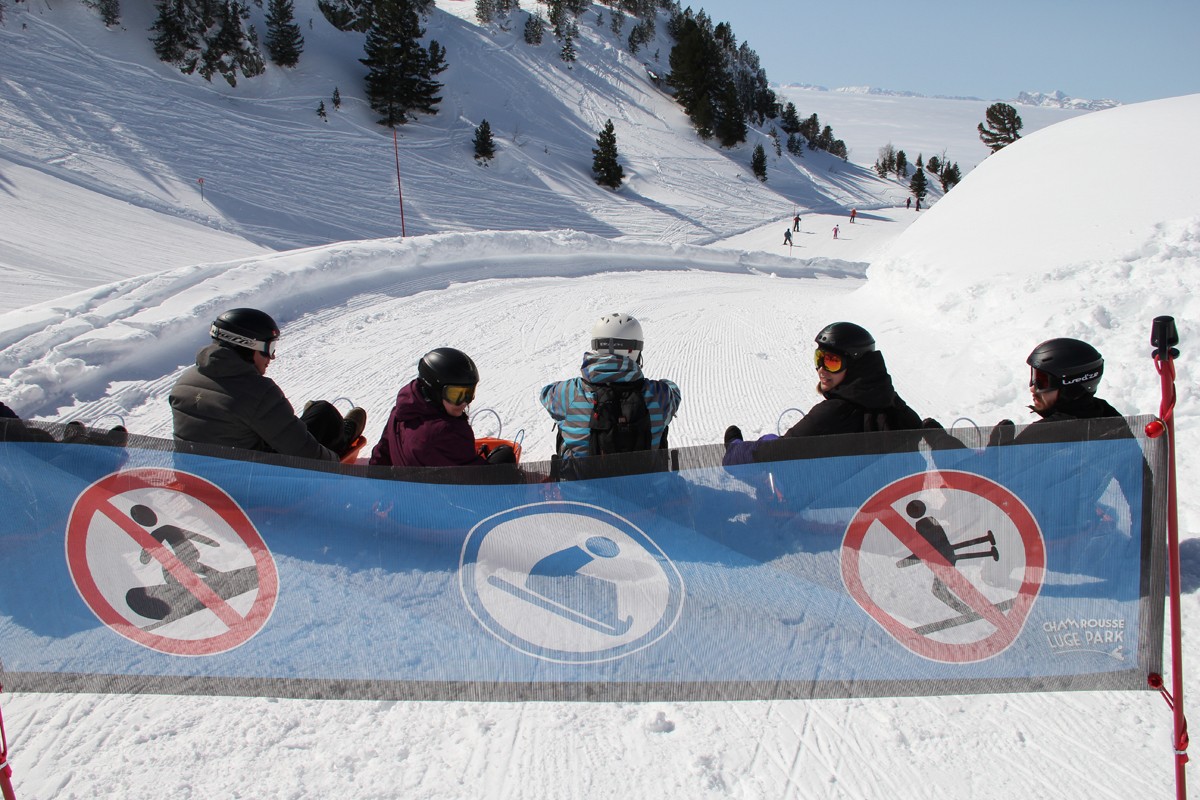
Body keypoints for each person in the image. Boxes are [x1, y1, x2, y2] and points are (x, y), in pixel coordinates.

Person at [170, 308, 366, 462]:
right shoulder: (258, 391)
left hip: (196, 480)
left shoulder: (184, 381)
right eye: (269, 348)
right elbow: (309, 455)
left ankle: (305, 423)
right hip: (254, 486)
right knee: (324, 413)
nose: (271, 358)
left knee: (310, 416)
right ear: (248, 346)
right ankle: (343, 436)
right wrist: (337, 459)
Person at [724, 322, 921, 464]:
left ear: (857, 366)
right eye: (819, 358)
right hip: (886, 504)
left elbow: (771, 455)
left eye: (832, 362)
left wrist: (734, 448)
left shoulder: (834, 413)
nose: (821, 369)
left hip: (828, 508)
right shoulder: (894, 405)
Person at [540, 312, 681, 471]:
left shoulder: (569, 393)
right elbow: (674, 391)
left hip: (581, 487)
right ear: (634, 350)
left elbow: (545, 393)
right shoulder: (660, 394)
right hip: (649, 487)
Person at [368, 347, 514, 468]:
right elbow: (476, 479)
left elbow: (382, 453)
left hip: (408, 490)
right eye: (455, 394)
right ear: (434, 391)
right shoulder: (446, 432)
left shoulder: (402, 412)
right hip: (438, 494)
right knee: (505, 457)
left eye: (469, 393)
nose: (464, 402)